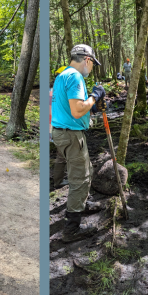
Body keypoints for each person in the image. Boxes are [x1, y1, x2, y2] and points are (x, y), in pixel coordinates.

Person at [51, 44, 106, 243]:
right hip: (71, 135)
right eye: (92, 65)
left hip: (64, 132)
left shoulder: (62, 75)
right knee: (79, 178)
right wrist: (94, 96)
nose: (90, 69)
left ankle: (82, 203)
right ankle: (71, 229)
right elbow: (77, 110)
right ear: (87, 60)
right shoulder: (75, 77)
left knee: (86, 170)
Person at [51, 67, 68, 189]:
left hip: (52, 129)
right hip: (59, 128)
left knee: (61, 155)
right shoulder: (62, 93)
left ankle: (59, 178)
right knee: (62, 156)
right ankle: (58, 181)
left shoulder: (52, 91)